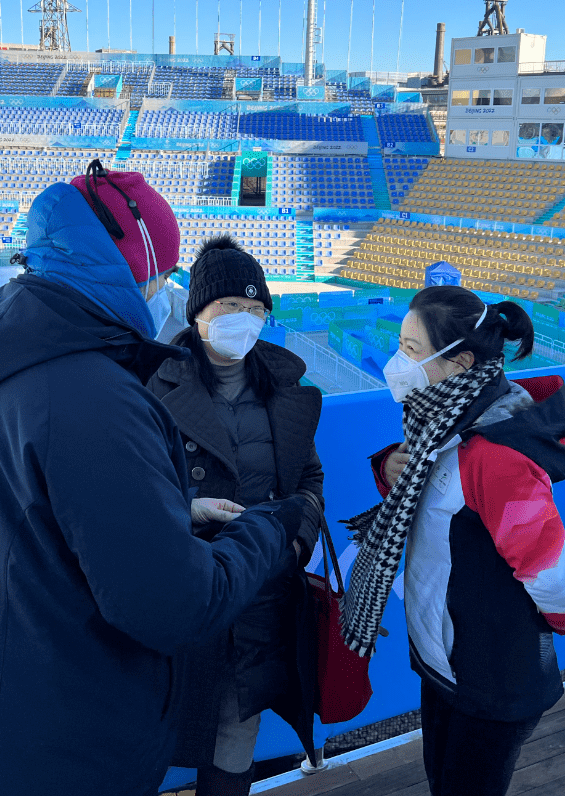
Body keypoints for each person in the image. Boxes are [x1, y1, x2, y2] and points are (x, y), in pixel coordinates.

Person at [0, 163, 308, 796]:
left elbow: (39, 525)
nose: (163, 293)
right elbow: (177, 604)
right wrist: (268, 528)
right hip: (71, 744)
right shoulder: (92, 393)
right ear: (133, 269)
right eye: (162, 275)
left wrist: (172, 512)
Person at [340, 285, 565, 796]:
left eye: (410, 350)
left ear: (458, 364)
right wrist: (390, 468)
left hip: (490, 676)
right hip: (446, 664)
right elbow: (434, 495)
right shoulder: (442, 418)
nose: (396, 361)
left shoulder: (496, 455)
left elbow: (547, 569)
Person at [147, 235, 325, 796]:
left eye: (255, 309)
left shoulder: (287, 390)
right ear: (198, 313)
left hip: (263, 592)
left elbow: (309, 481)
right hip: (189, 589)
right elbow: (130, 493)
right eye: (230, 308)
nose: (244, 320)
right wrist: (188, 507)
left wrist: (294, 543)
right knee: (160, 725)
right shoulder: (152, 388)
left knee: (236, 732)